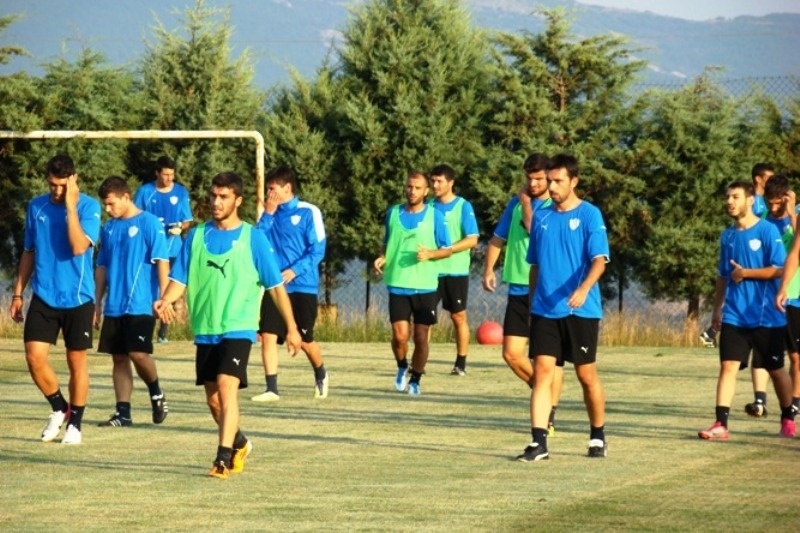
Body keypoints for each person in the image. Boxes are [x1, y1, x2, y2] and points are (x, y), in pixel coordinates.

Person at [153, 171, 301, 479]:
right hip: (206, 329)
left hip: (239, 326)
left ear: (238, 200)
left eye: (223, 197)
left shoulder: (253, 238)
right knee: (214, 401)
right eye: (213, 196)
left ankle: (222, 458)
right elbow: (179, 279)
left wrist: (292, 327)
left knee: (226, 387)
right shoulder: (195, 236)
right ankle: (240, 442)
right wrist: (166, 300)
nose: (216, 202)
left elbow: (275, 287)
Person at [516, 153, 609, 462]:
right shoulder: (541, 216)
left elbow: (599, 260)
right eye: (549, 181)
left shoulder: (590, 215)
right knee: (543, 373)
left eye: (558, 181)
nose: (551, 187)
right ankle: (538, 442)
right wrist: (532, 305)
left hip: (580, 311)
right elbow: (534, 266)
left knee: (586, 377)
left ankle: (597, 434)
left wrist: (583, 289)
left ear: (574, 182)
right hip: (544, 311)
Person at [9, 154, 101, 445]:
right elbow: (29, 251)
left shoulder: (89, 207)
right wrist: (18, 293)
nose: (56, 191)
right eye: (52, 185)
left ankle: (76, 423)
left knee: (76, 362)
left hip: (78, 298)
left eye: (62, 186)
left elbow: (77, 247)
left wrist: (71, 206)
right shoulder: (37, 207)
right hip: (45, 296)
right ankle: (60, 408)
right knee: (34, 359)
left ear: (73, 180)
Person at [698, 181, 795, 440]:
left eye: (736, 197)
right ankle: (721, 424)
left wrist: (746, 273)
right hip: (734, 314)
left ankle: (788, 417)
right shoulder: (727, 236)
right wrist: (716, 310)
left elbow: (781, 268)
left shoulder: (766, 230)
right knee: (728, 366)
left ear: (750, 200)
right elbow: (722, 276)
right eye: (728, 197)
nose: (730, 202)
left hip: (766, 316)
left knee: (776, 370)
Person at [483, 154, 564, 435]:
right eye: (529, 178)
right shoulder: (515, 204)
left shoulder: (553, 206)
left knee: (550, 359)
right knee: (511, 354)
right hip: (518, 290)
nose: (533, 183)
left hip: (546, 292)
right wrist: (488, 269)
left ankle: (548, 414)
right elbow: (498, 238)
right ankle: (542, 392)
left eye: (539, 178)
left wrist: (527, 202)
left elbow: (532, 229)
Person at [94, 176, 170, 427]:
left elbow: (162, 260)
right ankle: (122, 413)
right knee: (118, 358)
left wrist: (164, 298)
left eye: (111, 204)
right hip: (114, 305)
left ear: (126, 197)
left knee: (138, 353)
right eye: (105, 205)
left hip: (141, 303)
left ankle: (156, 392)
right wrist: (96, 303)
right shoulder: (109, 228)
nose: (108, 209)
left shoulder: (149, 223)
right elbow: (102, 266)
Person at [250, 167, 329, 402]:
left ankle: (321, 373)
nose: (269, 194)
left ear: (287, 188)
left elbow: (318, 250)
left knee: (304, 339)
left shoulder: (309, 212)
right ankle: (271, 388)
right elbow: (256, 241)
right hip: (275, 287)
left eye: (272, 189)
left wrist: (295, 270)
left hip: (303, 286)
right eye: (268, 190)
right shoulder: (268, 215)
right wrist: (268, 214)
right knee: (268, 334)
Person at [374, 170, 452, 395]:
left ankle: (416, 380)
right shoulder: (393, 213)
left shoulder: (435, 215)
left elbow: (446, 250)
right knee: (399, 337)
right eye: (409, 186)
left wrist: (430, 254)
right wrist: (383, 258)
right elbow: (389, 243)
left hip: (425, 286)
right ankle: (401, 366)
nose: (412, 191)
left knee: (420, 337)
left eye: (417, 188)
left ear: (426, 191)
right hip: (398, 283)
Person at [699, 162, 775, 348]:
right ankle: (715, 330)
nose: (730, 201)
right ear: (758, 178)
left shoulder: (763, 203)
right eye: (769, 177)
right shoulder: (755, 202)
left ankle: (712, 331)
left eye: (735, 197)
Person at [749, 175, 796, 419]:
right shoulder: (764, 221)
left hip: (795, 293)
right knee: (763, 350)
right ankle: (760, 400)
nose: (773, 208)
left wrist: (791, 215)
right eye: (770, 203)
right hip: (768, 296)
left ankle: (793, 403)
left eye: (778, 203)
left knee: (796, 355)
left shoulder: (794, 215)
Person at [134, 156, 193, 343]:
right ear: (157, 173)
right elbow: (135, 216)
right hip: (149, 250)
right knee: (150, 289)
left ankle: (164, 332)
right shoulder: (145, 192)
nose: (169, 178)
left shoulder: (181, 192)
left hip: (173, 250)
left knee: (169, 290)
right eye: (165, 174)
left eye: (172, 175)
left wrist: (180, 228)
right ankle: (146, 330)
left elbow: (187, 220)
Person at [430, 164, 479, 376]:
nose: (435, 185)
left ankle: (460, 363)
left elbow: (472, 239)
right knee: (424, 319)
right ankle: (420, 362)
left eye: (439, 181)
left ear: (451, 183)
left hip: (455, 272)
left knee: (458, 317)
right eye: (432, 181)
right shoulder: (428, 207)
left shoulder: (463, 206)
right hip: (430, 272)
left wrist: (448, 250)